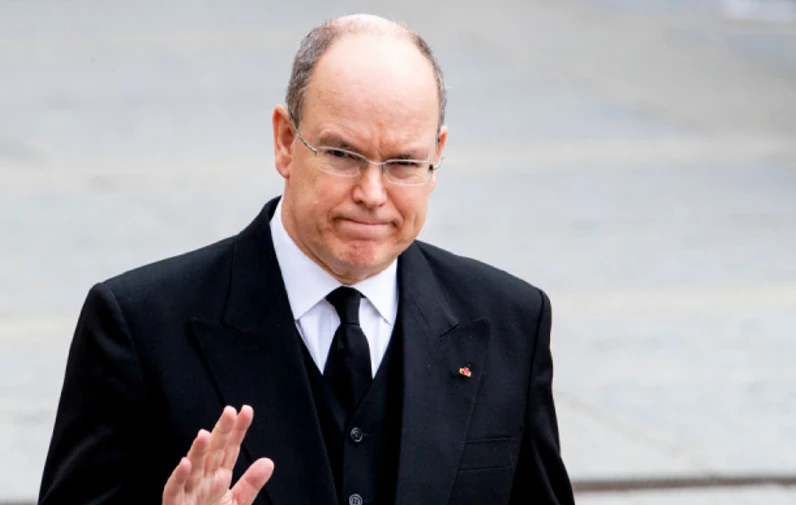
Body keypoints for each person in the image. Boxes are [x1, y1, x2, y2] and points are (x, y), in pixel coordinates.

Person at [38, 14, 574, 505]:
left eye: (403, 163)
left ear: (437, 156)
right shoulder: (139, 329)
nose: (372, 193)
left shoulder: (510, 322)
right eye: (342, 154)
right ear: (284, 141)